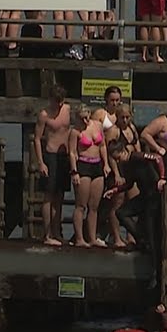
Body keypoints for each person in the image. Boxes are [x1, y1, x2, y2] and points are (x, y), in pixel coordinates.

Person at [103, 141, 165, 254]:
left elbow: (158, 158)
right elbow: (130, 183)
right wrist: (115, 190)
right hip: (144, 195)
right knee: (121, 213)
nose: (118, 161)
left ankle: (151, 249)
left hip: (154, 194)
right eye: (115, 160)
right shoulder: (126, 165)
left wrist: (162, 178)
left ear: (124, 152)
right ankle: (141, 239)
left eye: (118, 158)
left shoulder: (137, 156)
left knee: (150, 225)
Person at [33, 85, 71, 246]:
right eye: (56, 102)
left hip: (64, 156)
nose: (59, 105)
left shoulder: (67, 109)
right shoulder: (44, 114)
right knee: (48, 195)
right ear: (51, 100)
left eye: (61, 102)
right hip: (50, 154)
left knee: (60, 195)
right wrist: (41, 162)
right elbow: (37, 139)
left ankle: (57, 232)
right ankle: (47, 234)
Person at [68, 105, 109, 248]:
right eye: (81, 119)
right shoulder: (75, 132)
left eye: (86, 118)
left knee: (94, 206)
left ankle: (92, 238)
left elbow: (102, 146)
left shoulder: (98, 125)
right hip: (83, 165)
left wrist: (106, 164)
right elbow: (72, 152)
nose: (85, 121)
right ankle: (79, 238)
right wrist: (74, 171)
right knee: (81, 205)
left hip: (97, 165)